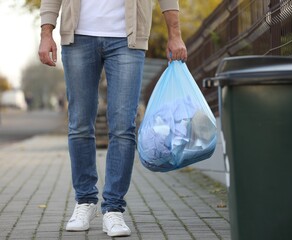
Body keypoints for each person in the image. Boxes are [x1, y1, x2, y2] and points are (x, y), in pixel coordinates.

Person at [38, 0, 187, 237]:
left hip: (127, 40)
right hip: (78, 37)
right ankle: (85, 202)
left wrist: (175, 34)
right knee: (79, 125)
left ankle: (114, 209)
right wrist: (47, 32)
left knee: (123, 127)